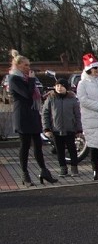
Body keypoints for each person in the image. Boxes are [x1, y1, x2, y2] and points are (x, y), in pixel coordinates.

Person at [7, 51, 57, 186]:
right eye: (25, 65)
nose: (28, 68)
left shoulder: (26, 78)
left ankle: (44, 171)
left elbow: (35, 95)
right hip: (22, 116)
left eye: (29, 65)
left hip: (33, 115)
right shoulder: (14, 79)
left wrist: (44, 95)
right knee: (25, 146)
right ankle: (25, 174)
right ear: (17, 65)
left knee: (38, 145)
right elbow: (26, 94)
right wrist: (31, 79)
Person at [41, 77, 82, 176]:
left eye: (62, 86)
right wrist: (46, 128)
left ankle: (74, 168)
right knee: (60, 151)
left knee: (72, 149)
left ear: (66, 88)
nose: (59, 88)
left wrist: (79, 129)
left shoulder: (72, 99)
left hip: (70, 129)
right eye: (57, 85)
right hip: (56, 129)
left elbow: (77, 114)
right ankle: (63, 168)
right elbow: (45, 113)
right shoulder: (51, 98)